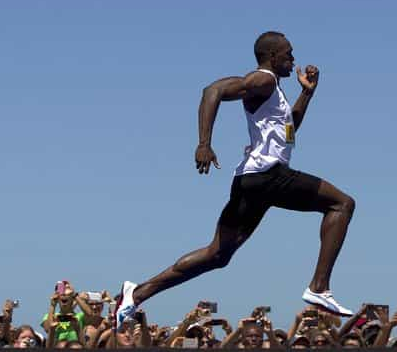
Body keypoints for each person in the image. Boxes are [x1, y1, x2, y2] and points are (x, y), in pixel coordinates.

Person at [115, 31, 356, 328]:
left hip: (253, 182)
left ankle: (136, 294)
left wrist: (306, 93)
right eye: (288, 54)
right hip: (267, 176)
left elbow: (289, 129)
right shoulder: (263, 79)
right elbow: (212, 91)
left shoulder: (274, 91)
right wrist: (204, 143)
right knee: (341, 204)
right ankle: (319, 287)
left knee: (217, 254)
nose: (294, 60)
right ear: (272, 56)